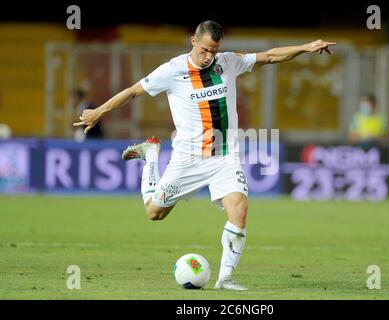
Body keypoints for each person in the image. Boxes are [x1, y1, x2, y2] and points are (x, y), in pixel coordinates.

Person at [73, 20, 335, 290]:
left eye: (215, 50)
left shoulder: (228, 62)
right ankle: (151, 156)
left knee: (240, 209)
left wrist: (306, 47)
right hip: (188, 158)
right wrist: (99, 112)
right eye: (206, 50)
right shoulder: (172, 70)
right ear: (193, 41)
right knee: (155, 213)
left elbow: (269, 56)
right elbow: (132, 92)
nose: (209, 56)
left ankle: (225, 279)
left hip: (225, 155)